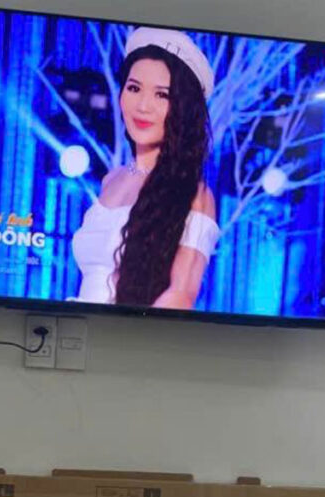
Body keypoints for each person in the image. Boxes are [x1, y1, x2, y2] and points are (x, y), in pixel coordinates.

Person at [71, 27, 221, 309]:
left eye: (161, 95)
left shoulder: (194, 194)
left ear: (183, 109)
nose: (143, 106)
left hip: (129, 330)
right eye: (134, 88)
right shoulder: (112, 179)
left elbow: (181, 294)